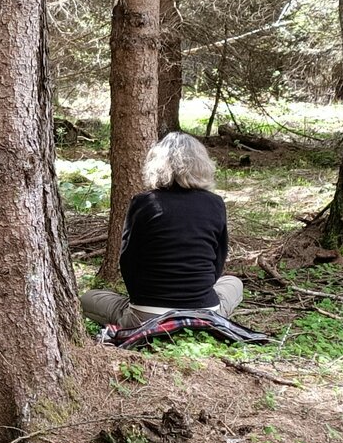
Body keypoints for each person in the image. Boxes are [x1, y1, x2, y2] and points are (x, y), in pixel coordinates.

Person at [80, 132, 243, 328]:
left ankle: (139, 317)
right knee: (233, 283)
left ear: (156, 165)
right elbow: (218, 260)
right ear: (203, 165)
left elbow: (128, 260)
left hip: (149, 314)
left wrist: (143, 298)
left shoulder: (144, 202)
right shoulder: (216, 204)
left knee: (88, 298)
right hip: (205, 313)